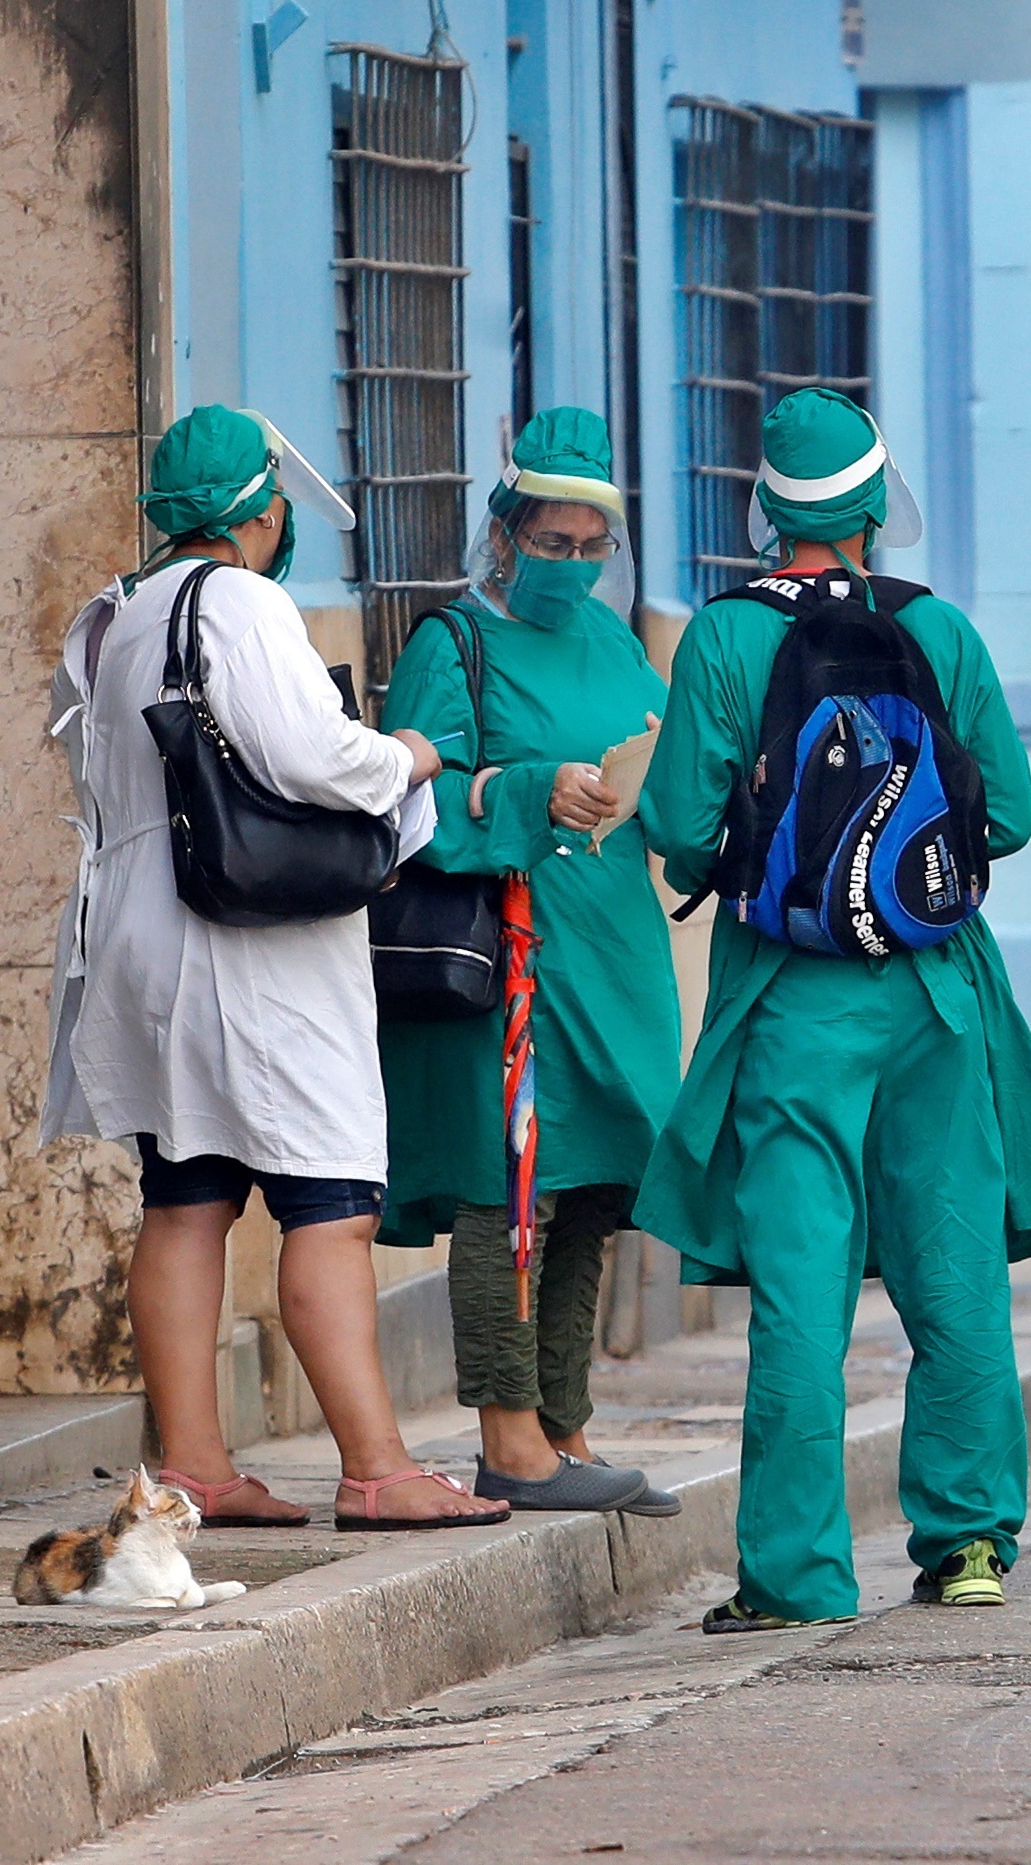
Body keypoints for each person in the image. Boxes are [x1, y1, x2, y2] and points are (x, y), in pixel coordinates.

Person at [631, 390, 1031, 1631]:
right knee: (954, 1283)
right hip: (939, 1002)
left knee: (800, 1296)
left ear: (766, 513)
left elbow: (675, 825)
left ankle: (796, 1576)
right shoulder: (940, 631)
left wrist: (748, 866)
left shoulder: (724, 639)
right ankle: (969, 1544)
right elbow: (1010, 819)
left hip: (790, 1010)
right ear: (879, 513)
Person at [43, 406, 508, 1532]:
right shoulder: (244, 601)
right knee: (329, 1203)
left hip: (143, 942)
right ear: (259, 511)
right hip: (253, 952)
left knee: (187, 1195)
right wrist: (406, 753)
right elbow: (309, 756)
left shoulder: (115, 614)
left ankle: (195, 1466)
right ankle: (376, 1467)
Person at [376, 411, 683, 1517]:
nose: (574, 569)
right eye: (552, 547)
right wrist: (528, 788)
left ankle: (564, 1421)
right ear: (503, 538)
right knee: (505, 1191)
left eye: (592, 549)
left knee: (598, 1184)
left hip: (613, 950)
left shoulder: (614, 641)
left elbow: (659, 770)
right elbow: (404, 807)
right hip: (507, 961)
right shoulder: (449, 644)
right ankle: (507, 1438)